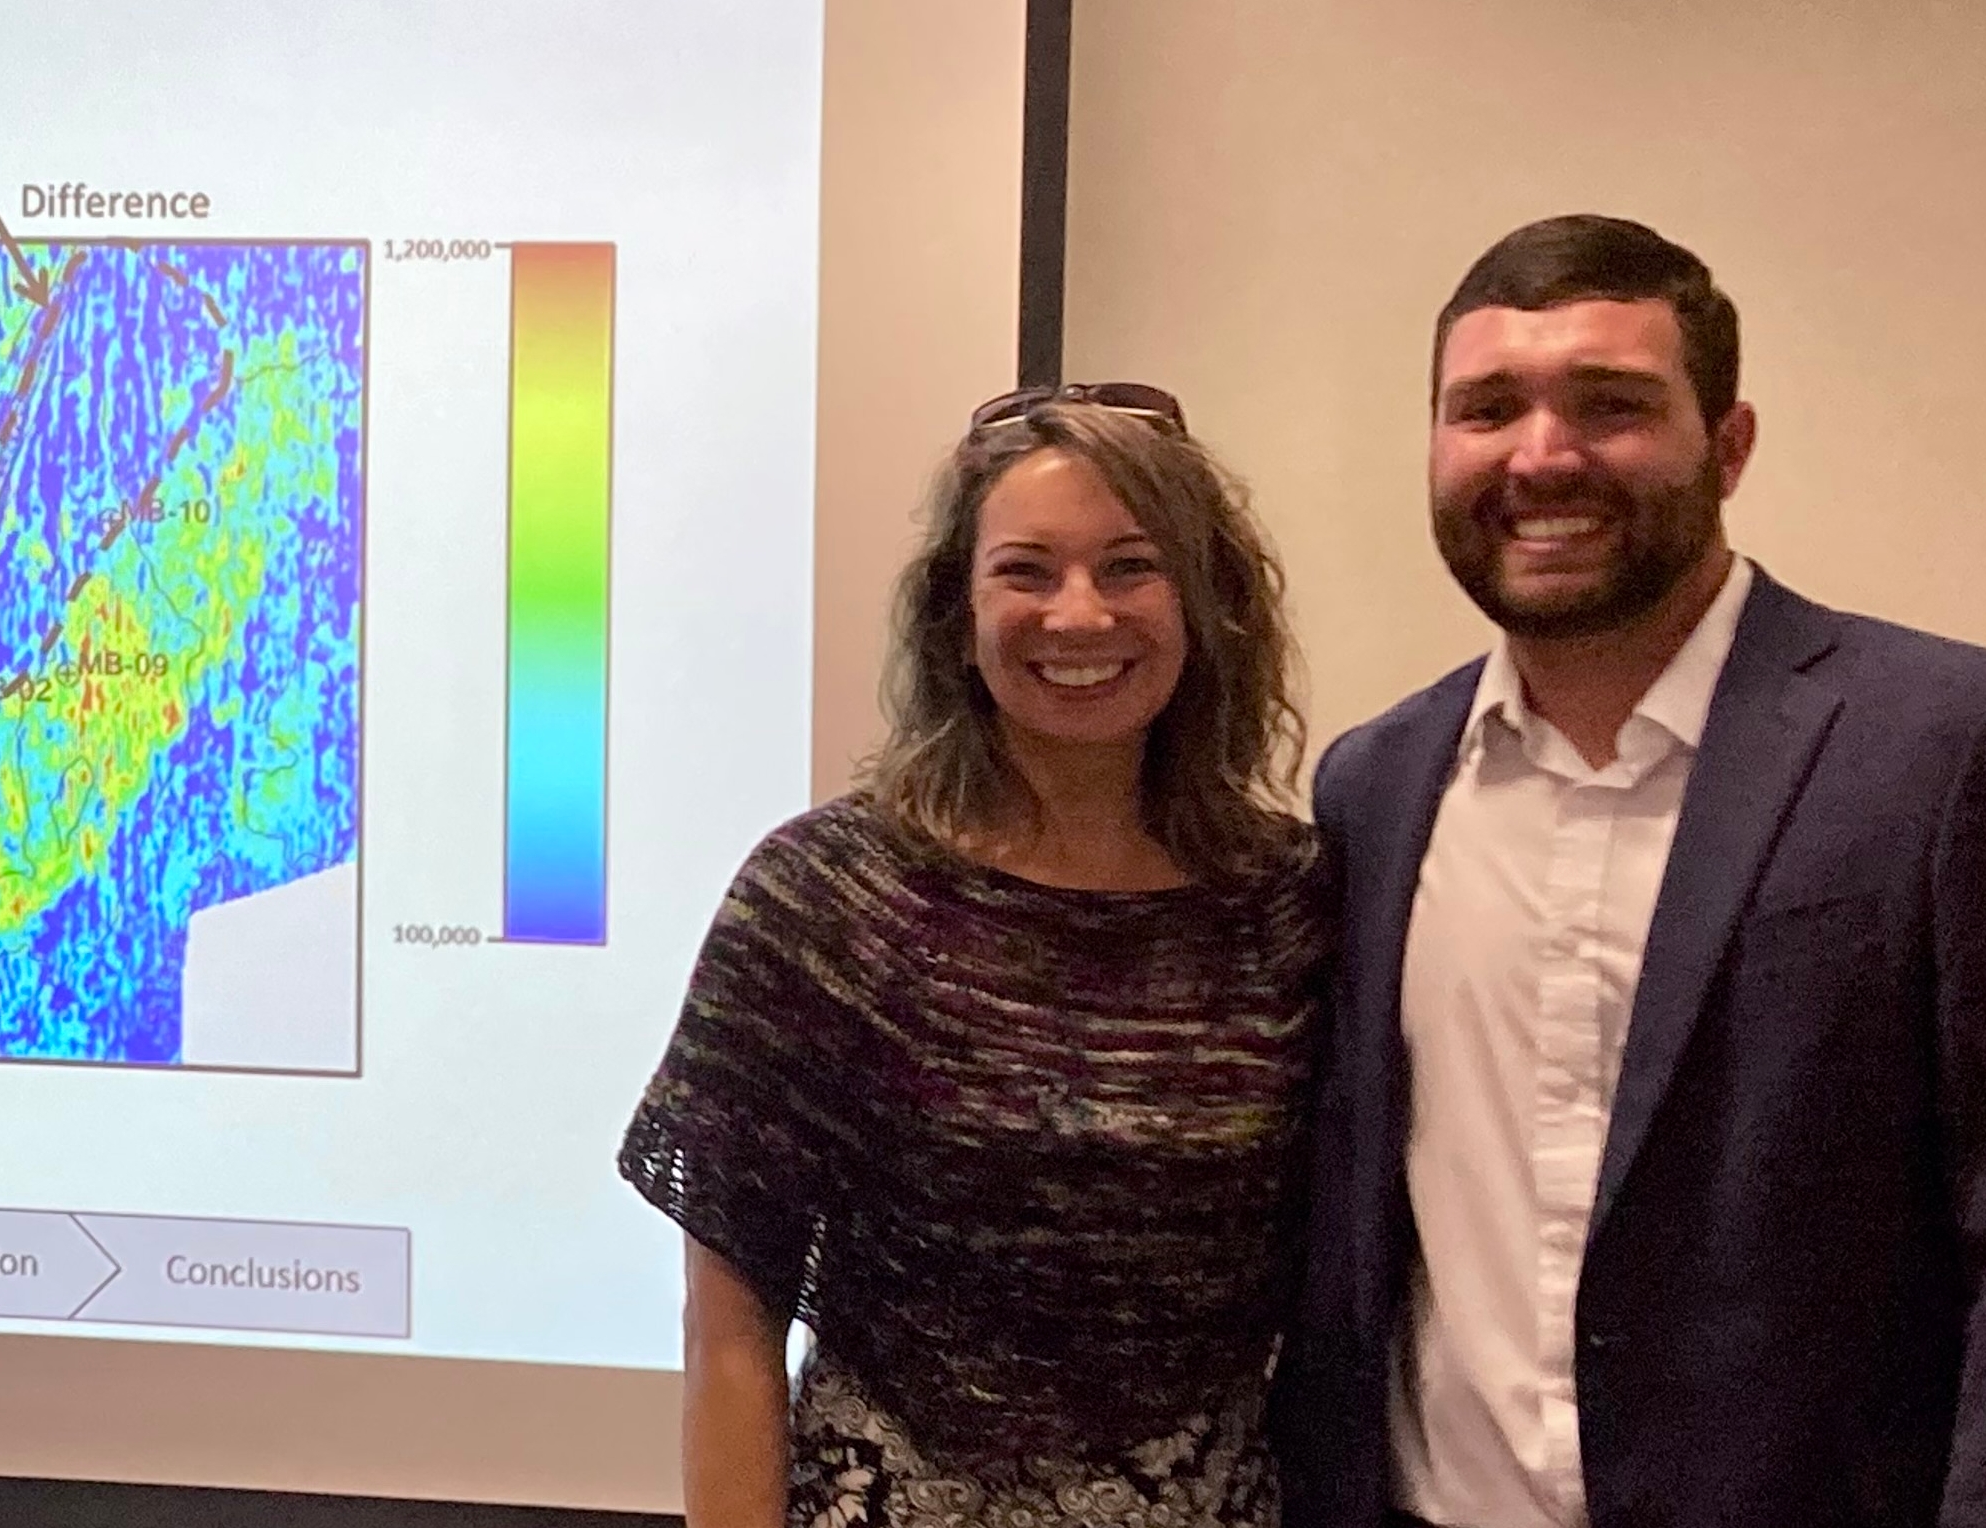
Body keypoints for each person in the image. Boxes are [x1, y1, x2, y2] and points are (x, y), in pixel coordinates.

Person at [1274, 213, 1986, 1528]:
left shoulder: (1937, 746)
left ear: (1729, 443)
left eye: (1609, 405)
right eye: (1487, 409)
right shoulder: (1373, 787)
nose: (1542, 456)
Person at [619, 386, 1329, 1528]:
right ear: (956, 610)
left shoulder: (1292, 904)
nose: (1079, 613)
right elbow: (728, 1322)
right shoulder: (823, 894)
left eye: (1131, 565)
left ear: (1206, 604)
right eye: (1026, 570)